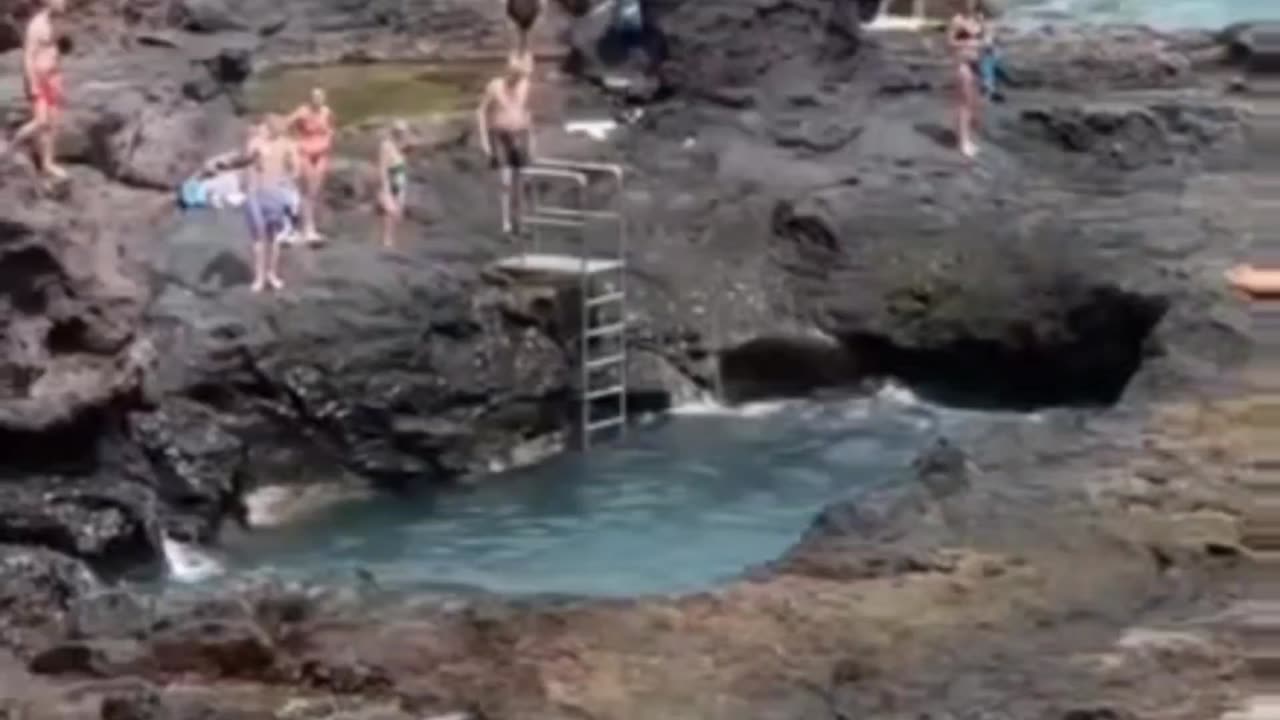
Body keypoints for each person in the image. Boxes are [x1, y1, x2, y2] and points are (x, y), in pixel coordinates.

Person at [2, 0, 69, 181]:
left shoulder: (59, 21)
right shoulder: (36, 26)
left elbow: (56, 47)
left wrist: (58, 76)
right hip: (39, 79)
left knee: (53, 124)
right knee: (41, 121)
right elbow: (28, 57)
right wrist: (32, 84)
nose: (64, 3)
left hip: (53, 77)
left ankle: (48, 163)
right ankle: (11, 145)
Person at [477, 51, 536, 235]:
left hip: (519, 132)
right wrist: (484, 140)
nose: (517, 80)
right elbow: (480, 111)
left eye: (520, 76)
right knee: (506, 180)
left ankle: (520, 220)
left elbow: (527, 113)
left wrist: (531, 139)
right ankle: (505, 223)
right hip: (500, 133)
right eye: (515, 76)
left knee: (521, 179)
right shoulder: (495, 86)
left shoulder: (525, 85)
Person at [240, 115, 300, 292]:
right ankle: (258, 277)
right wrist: (257, 154)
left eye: (269, 128)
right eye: (265, 127)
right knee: (258, 237)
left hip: (275, 192)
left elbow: (296, 168)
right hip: (256, 192)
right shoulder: (255, 143)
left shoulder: (286, 144)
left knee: (273, 235)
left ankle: (271, 274)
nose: (266, 130)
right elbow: (247, 161)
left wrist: (287, 179)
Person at [288, 88, 335, 243]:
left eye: (321, 97)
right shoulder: (303, 111)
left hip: (321, 153)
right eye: (315, 96)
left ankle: (310, 227)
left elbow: (332, 129)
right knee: (306, 191)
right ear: (310, 98)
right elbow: (286, 122)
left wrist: (329, 137)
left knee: (315, 191)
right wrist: (293, 143)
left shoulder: (327, 112)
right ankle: (305, 228)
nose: (318, 99)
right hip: (306, 152)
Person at [947, 0, 984, 159]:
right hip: (962, 64)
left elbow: (986, 38)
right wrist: (967, 42)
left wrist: (982, 42)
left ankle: (963, 135)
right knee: (964, 104)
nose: (970, 3)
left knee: (971, 103)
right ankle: (963, 143)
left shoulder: (978, 19)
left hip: (976, 63)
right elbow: (949, 43)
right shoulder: (957, 20)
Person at [376, 121, 409, 249]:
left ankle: (393, 239)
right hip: (390, 179)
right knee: (390, 212)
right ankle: (387, 239)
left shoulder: (402, 145)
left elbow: (402, 166)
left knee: (398, 212)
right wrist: (385, 188)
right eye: (399, 131)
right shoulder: (386, 145)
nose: (401, 134)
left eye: (403, 132)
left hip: (400, 179)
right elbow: (383, 167)